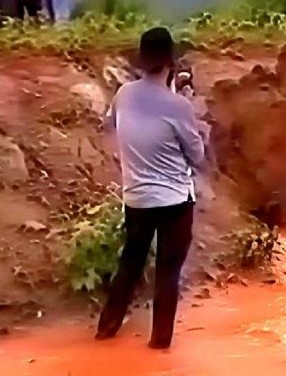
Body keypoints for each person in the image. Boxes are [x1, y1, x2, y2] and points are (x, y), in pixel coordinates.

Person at [96, 27, 205, 350]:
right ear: (171, 62)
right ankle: (159, 343)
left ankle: (106, 328)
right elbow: (197, 157)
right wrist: (180, 101)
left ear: (141, 60)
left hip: (137, 198)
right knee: (168, 271)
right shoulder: (179, 106)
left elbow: (114, 123)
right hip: (174, 200)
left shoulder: (124, 95)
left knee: (130, 262)